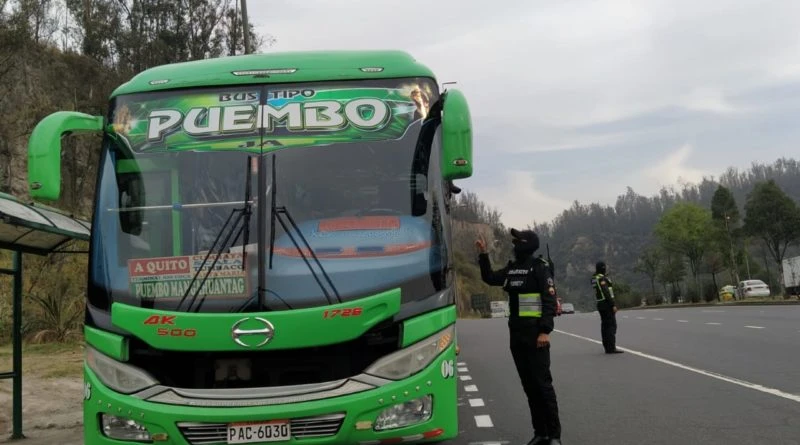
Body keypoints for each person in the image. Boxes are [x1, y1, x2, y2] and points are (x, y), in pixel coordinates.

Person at [476, 229, 562, 445]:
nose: (514, 244)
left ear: (528, 244)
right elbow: (490, 278)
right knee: (529, 387)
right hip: (516, 336)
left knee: (543, 386)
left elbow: (549, 300)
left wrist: (545, 331)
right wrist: (483, 254)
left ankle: (554, 436)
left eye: (518, 241)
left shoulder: (539, 268)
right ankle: (540, 433)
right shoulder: (512, 269)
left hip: (536, 335)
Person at [592, 261, 623, 354]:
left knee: (605, 326)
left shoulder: (595, 278)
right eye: (605, 267)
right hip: (606, 304)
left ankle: (607, 347)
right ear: (603, 268)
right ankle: (611, 347)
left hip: (600, 304)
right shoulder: (601, 279)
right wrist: (613, 304)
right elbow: (606, 292)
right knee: (611, 326)